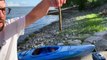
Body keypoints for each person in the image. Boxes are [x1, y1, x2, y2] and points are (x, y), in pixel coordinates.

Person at [0, 0, 66, 60]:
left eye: (3, 9)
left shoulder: (10, 26)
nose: (1, 15)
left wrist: (48, 2)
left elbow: (34, 15)